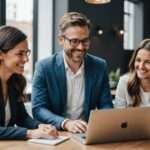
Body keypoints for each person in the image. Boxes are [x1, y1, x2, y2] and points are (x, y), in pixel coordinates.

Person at [32, 12, 113, 133]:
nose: (80, 47)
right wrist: (65, 123)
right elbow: (38, 109)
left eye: (85, 41)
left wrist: (101, 123)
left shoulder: (99, 66)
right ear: (61, 40)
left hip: (86, 133)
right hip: (55, 133)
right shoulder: (44, 67)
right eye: (74, 41)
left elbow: (106, 105)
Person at [0, 25, 58, 139]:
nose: (26, 59)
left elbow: (22, 118)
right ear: (1, 55)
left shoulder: (15, 81)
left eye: (27, 53)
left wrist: (40, 126)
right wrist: (29, 133)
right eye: (20, 53)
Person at [114, 39, 150, 108]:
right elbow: (118, 115)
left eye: (148, 62)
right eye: (138, 60)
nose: (141, 66)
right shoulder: (124, 82)